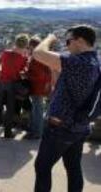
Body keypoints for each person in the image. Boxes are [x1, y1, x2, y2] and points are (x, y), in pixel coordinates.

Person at [33, 25, 99, 192]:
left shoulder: (79, 63)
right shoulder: (94, 61)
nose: (66, 44)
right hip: (79, 126)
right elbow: (60, 84)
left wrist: (49, 38)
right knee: (73, 167)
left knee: (42, 166)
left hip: (61, 127)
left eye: (68, 40)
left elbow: (37, 53)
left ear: (80, 41)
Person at [0, 33, 29, 138]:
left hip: (1, 83)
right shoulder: (23, 58)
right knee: (10, 109)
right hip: (12, 85)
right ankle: (7, 132)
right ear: (25, 45)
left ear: (15, 42)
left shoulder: (5, 53)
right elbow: (24, 70)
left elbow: (0, 62)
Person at [25, 36, 52, 140]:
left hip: (37, 87)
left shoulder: (37, 58)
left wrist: (27, 74)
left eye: (30, 46)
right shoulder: (43, 57)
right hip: (41, 88)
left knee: (37, 111)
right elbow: (47, 74)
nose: (28, 48)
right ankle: (35, 131)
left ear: (33, 46)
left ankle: (36, 133)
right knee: (37, 110)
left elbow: (39, 75)